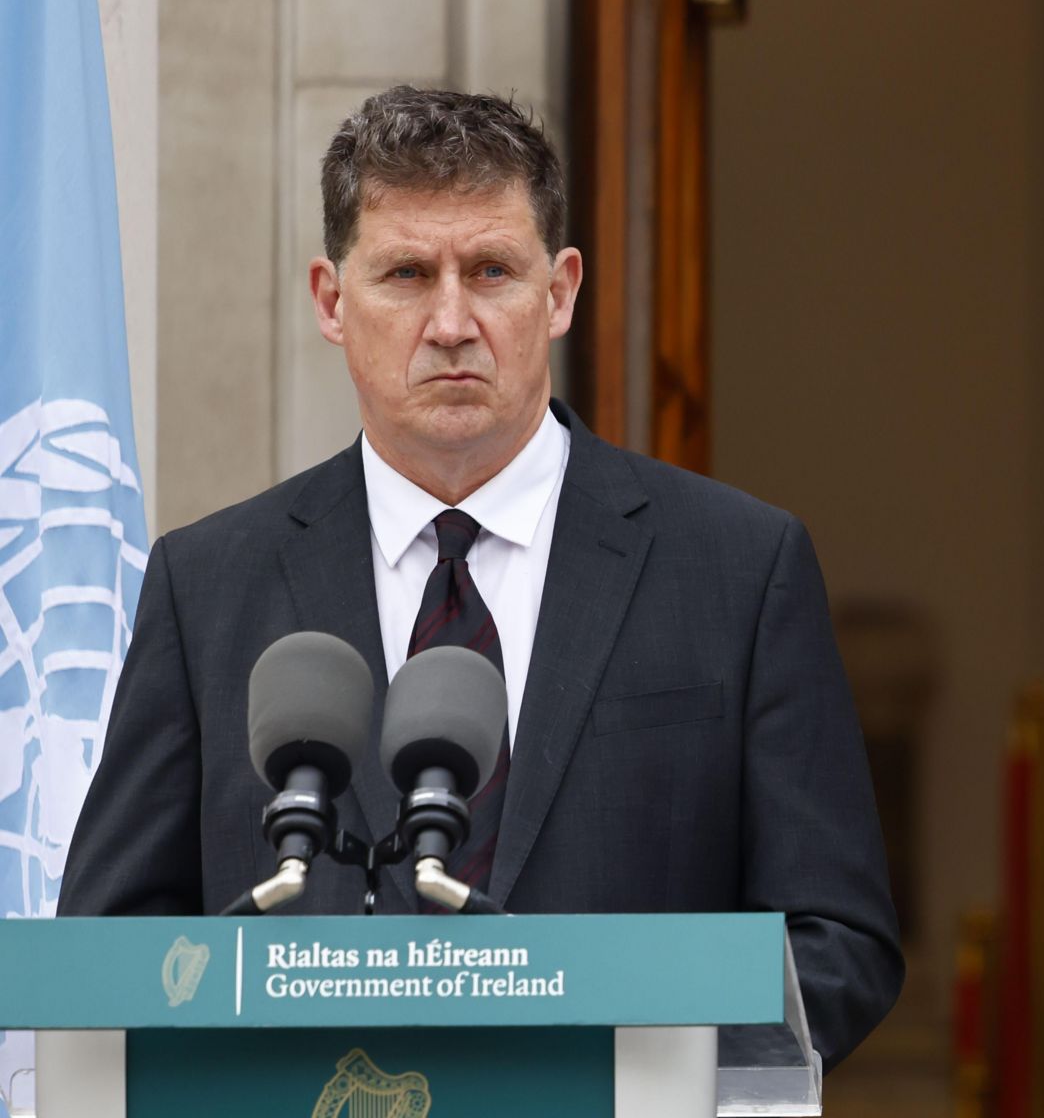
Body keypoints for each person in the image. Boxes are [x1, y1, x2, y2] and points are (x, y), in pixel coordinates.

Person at [58, 87, 902, 1068]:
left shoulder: (738, 570)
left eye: (491, 270)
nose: (451, 322)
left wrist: (629, 1081)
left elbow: (836, 942)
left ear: (560, 292)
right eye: (408, 274)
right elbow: (107, 950)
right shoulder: (207, 586)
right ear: (333, 301)